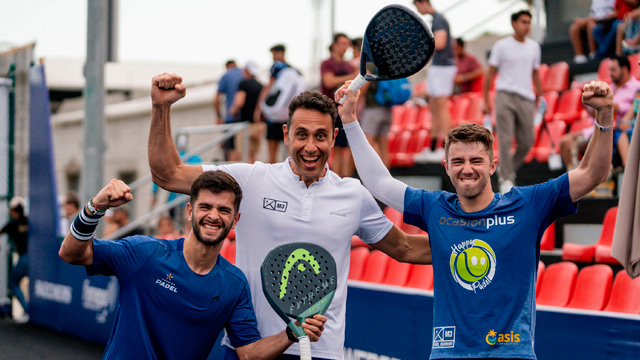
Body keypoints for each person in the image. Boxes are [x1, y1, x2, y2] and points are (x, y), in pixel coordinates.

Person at [148, 73, 431, 360]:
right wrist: (161, 108)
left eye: (321, 136)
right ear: (286, 134)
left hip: (322, 352)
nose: (310, 147)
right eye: (301, 135)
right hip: (248, 349)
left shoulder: (353, 195)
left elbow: (405, 247)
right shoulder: (250, 179)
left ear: (334, 137)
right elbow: (168, 174)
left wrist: (467, 242)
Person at [337, 79, 615, 359]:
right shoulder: (435, 208)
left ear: (493, 165)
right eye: (458, 162)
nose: (467, 169)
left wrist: (604, 117)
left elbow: (593, 173)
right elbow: (378, 182)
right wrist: (349, 120)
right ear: (446, 167)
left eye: (476, 161)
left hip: (511, 354)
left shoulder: (528, 205)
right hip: (449, 354)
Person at [59, 172, 327, 359]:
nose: (213, 216)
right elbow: (71, 253)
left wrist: (292, 333)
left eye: (224, 210)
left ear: (235, 219)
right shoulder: (146, 253)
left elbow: (248, 353)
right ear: (189, 211)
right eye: (205, 207)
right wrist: (94, 208)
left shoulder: (233, 284)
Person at [483, 10, 544, 194]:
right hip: (505, 95)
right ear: (514, 23)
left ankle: (505, 170)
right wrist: (485, 98)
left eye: (528, 22)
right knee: (506, 139)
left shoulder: (534, 47)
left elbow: (535, 73)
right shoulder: (501, 45)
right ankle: (506, 178)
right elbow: (490, 72)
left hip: (527, 98)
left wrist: (541, 96)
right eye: (523, 22)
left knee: (527, 142)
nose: (527, 26)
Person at [559, 55, 640, 169]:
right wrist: (590, 106)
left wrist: (606, 104)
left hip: (618, 130)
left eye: (613, 70)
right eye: (609, 70)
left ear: (625, 69)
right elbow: (598, 113)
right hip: (598, 127)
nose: (610, 73)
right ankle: (576, 180)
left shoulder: (636, 87)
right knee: (565, 142)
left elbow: (630, 111)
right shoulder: (609, 87)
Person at [413, 0, 457, 163]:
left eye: (417, 6)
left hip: (443, 67)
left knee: (440, 106)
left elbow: (441, 42)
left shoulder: (438, 19)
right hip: (439, 67)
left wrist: (420, 42)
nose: (418, 10)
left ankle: (445, 147)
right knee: (434, 106)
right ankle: (434, 147)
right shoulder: (436, 19)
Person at [320, 33, 360, 177]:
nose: (345, 47)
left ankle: (345, 182)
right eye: (342, 43)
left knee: (348, 150)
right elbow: (328, 82)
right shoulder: (328, 63)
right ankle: (335, 181)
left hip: (346, 111)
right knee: (336, 149)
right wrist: (352, 77)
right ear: (335, 45)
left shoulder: (349, 65)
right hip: (332, 110)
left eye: (347, 44)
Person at [229, 61, 265, 164]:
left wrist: (232, 111)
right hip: (259, 125)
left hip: (246, 125)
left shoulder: (243, 84)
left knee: (244, 155)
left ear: (246, 70)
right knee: (254, 156)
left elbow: (239, 102)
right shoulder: (261, 85)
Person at [1, 197, 29, 322]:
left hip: (24, 258)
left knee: (14, 283)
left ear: (13, 210)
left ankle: (27, 310)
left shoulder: (12, 224)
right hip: (36, 257)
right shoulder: (28, 221)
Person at [214, 60, 245, 161]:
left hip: (231, 118)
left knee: (230, 148)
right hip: (245, 119)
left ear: (227, 66)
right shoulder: (244, 73)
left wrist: (219, 117)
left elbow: (216, 99)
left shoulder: (226, 75)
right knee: (242, 148)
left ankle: (230, 174)